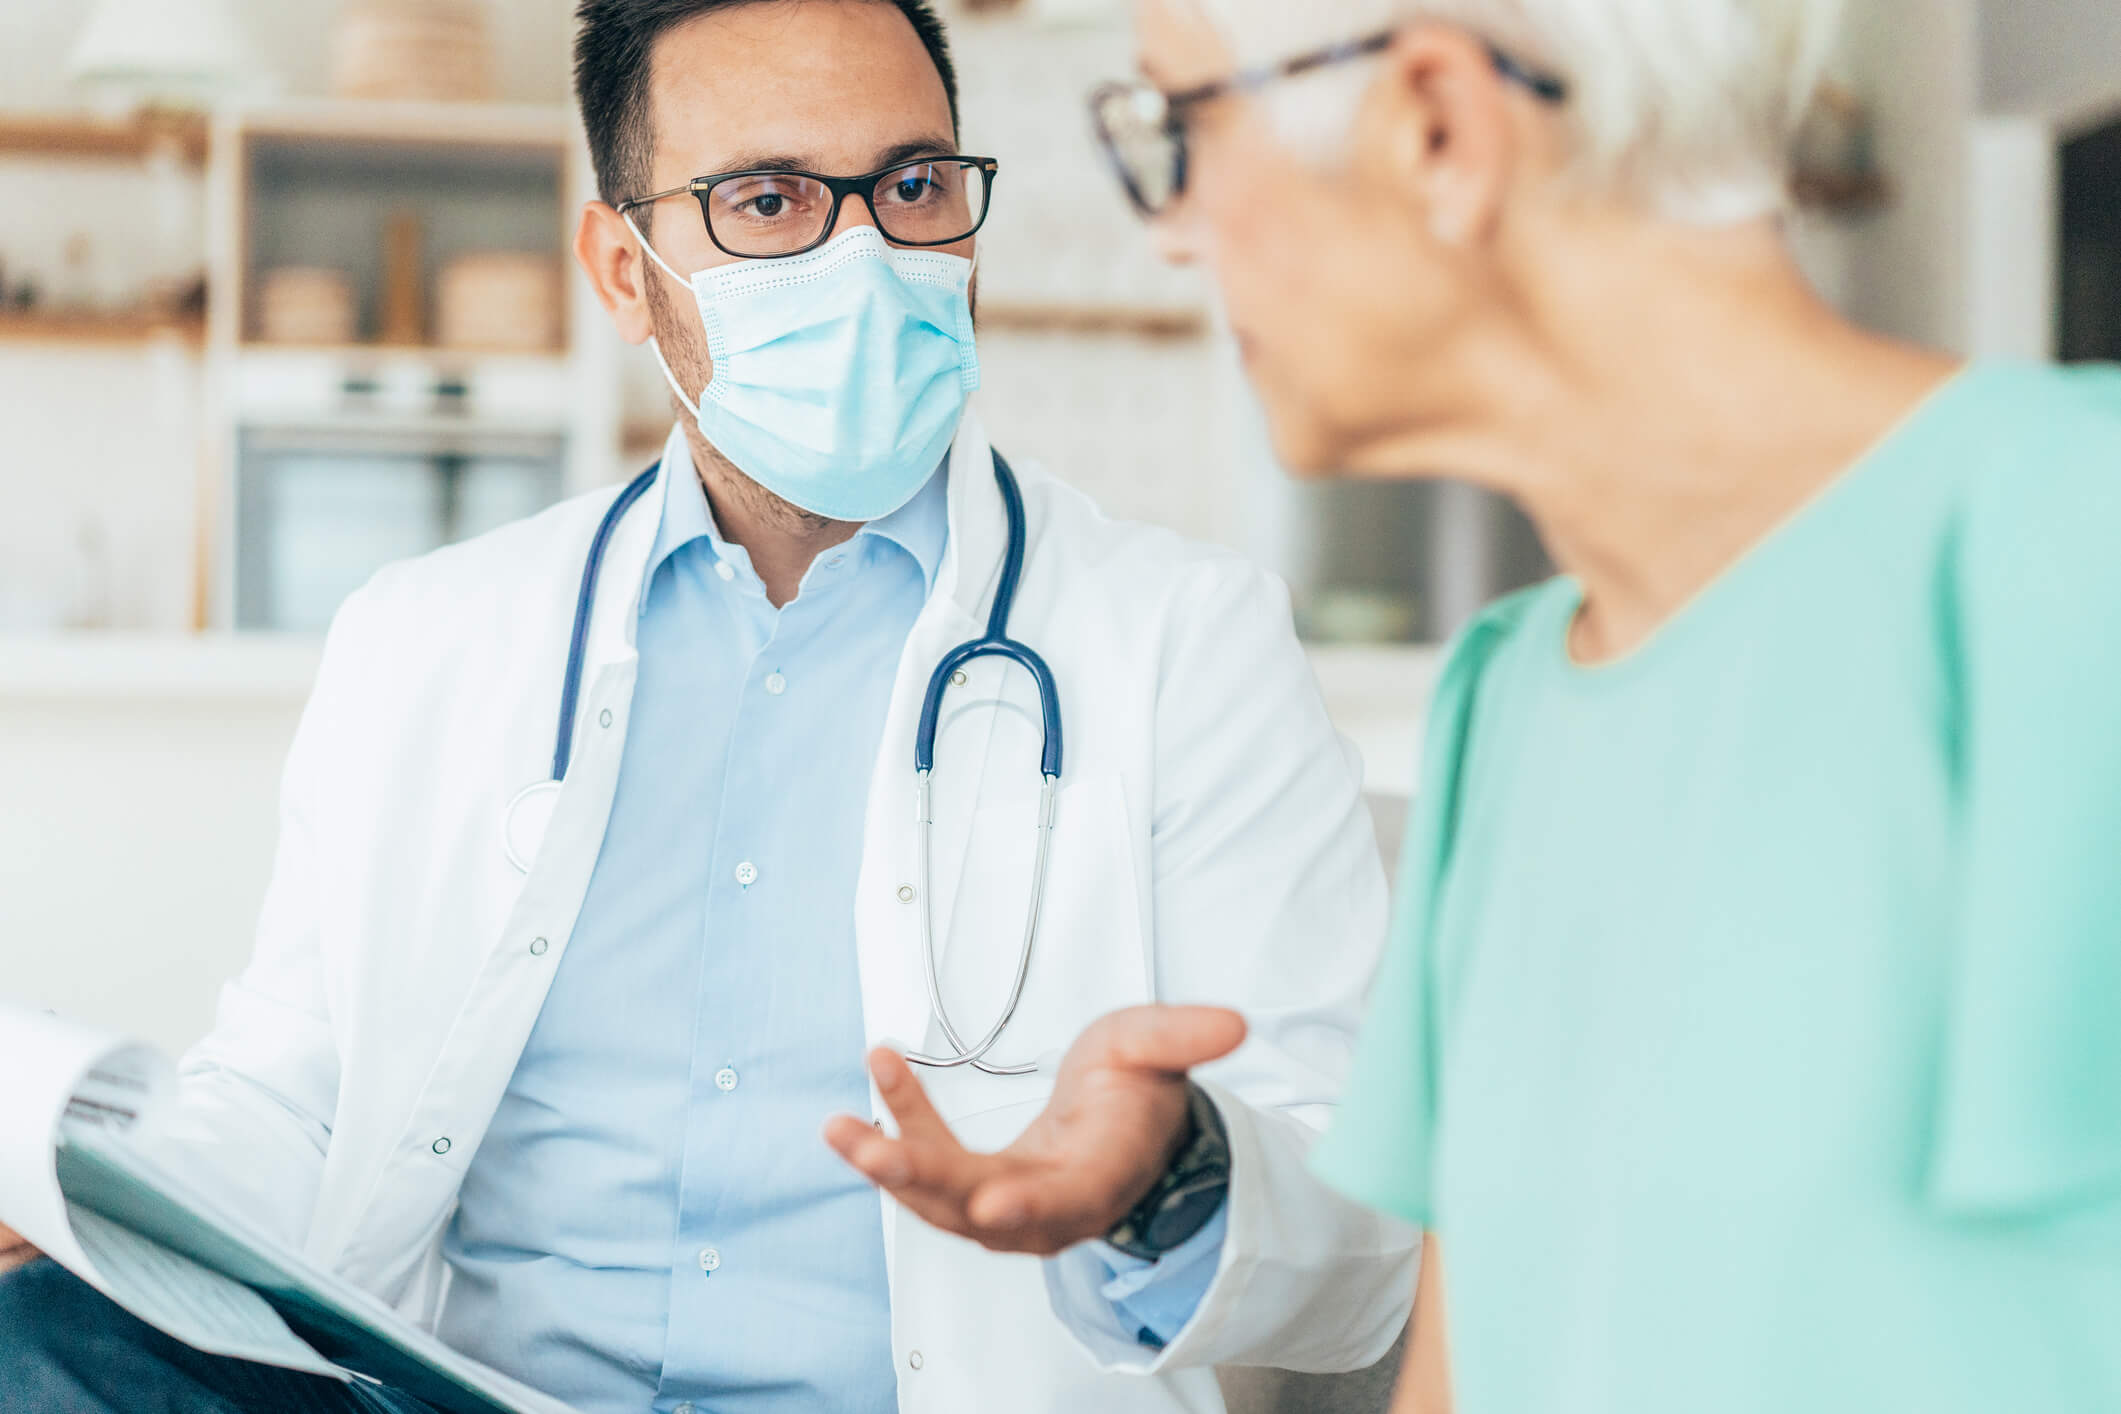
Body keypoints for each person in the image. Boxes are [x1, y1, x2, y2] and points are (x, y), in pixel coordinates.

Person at [0, 2, 1419, 1411]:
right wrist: (85, 1191)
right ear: (623, 271)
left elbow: (1364, 1247)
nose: (866, 253)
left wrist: (1168, 1172)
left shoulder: (1186, 639)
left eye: (914, 186)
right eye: (768, 200)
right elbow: (289, 1106)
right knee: (38, 1337)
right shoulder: (425, 640)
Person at [1091, 1, 2121, 1412]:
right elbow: (1465, 1368)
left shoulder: (2074, 547)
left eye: (1180, 127)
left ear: (1437, 125)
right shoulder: (1504, 697)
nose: (1172, 229)